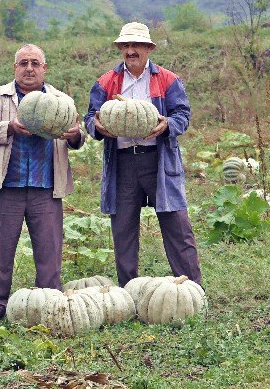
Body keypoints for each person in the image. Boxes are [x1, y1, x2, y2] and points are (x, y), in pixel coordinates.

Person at [83, 22, 202, 287]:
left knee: (177, 226)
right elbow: (90, 118)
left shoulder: (168, 80)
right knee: (123, 229)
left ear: (148, 49)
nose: (131, 50)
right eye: (126, 45)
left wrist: (167, 125)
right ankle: (128, 292)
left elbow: (182, 115)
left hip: (158, 160)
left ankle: (194, 289)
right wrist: (98, 127)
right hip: (123, 163)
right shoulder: (106, 81)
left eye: (136, 45)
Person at [0, 44, 85, 322]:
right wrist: (10, 127)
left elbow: (78, 136)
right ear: (15, 68)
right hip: (7, 185)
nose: (29, 68)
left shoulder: (61, 100)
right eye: (23, 63)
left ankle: (50, 304)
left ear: (44, 69)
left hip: (46, 186)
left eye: (35, 63)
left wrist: (74, 135)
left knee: (49, 250)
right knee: (0, 250)